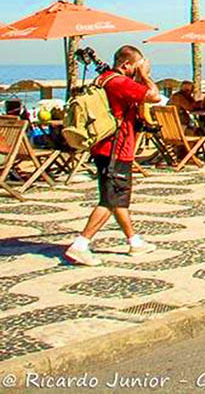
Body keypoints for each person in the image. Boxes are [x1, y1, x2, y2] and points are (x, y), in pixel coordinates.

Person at [64, 46, 161, 267]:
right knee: (110, 200)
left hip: (104, 148)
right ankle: (80, 245)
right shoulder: (120, 82)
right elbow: (154, 96)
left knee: (118, 197)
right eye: (137, 65)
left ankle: (134, 241)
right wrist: (145, 76)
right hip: (117, 149)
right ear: (126, 64)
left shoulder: (103, 79)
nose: (140, 69)